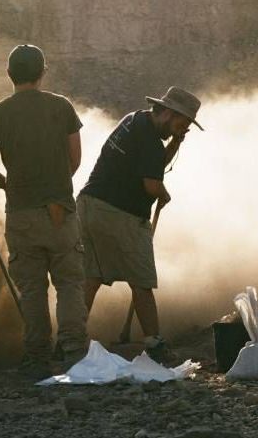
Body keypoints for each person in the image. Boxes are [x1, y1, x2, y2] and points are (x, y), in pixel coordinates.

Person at [0, 44, 89, 380]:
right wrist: (53, 183)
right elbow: (75, 160)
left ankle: (36, 355)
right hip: (59, 211)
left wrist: (10, 185)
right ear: (42, 72)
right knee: (69, 283)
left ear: (9, 74)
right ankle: (73, 352)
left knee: (33, 288)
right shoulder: (61, 107)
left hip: (20, 214)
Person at [77, 86, 202, 362]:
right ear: (168, 112)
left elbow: (153, 164)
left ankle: (69, 341)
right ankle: (155, 345)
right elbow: (151, 183)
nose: (179, 130)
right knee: (141, 279)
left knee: (93, 276)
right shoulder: (148, 137)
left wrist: (176, 143)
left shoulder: (135, 120)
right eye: (180, 124)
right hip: (118, 213)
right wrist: (163, 194)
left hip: (89, 205)